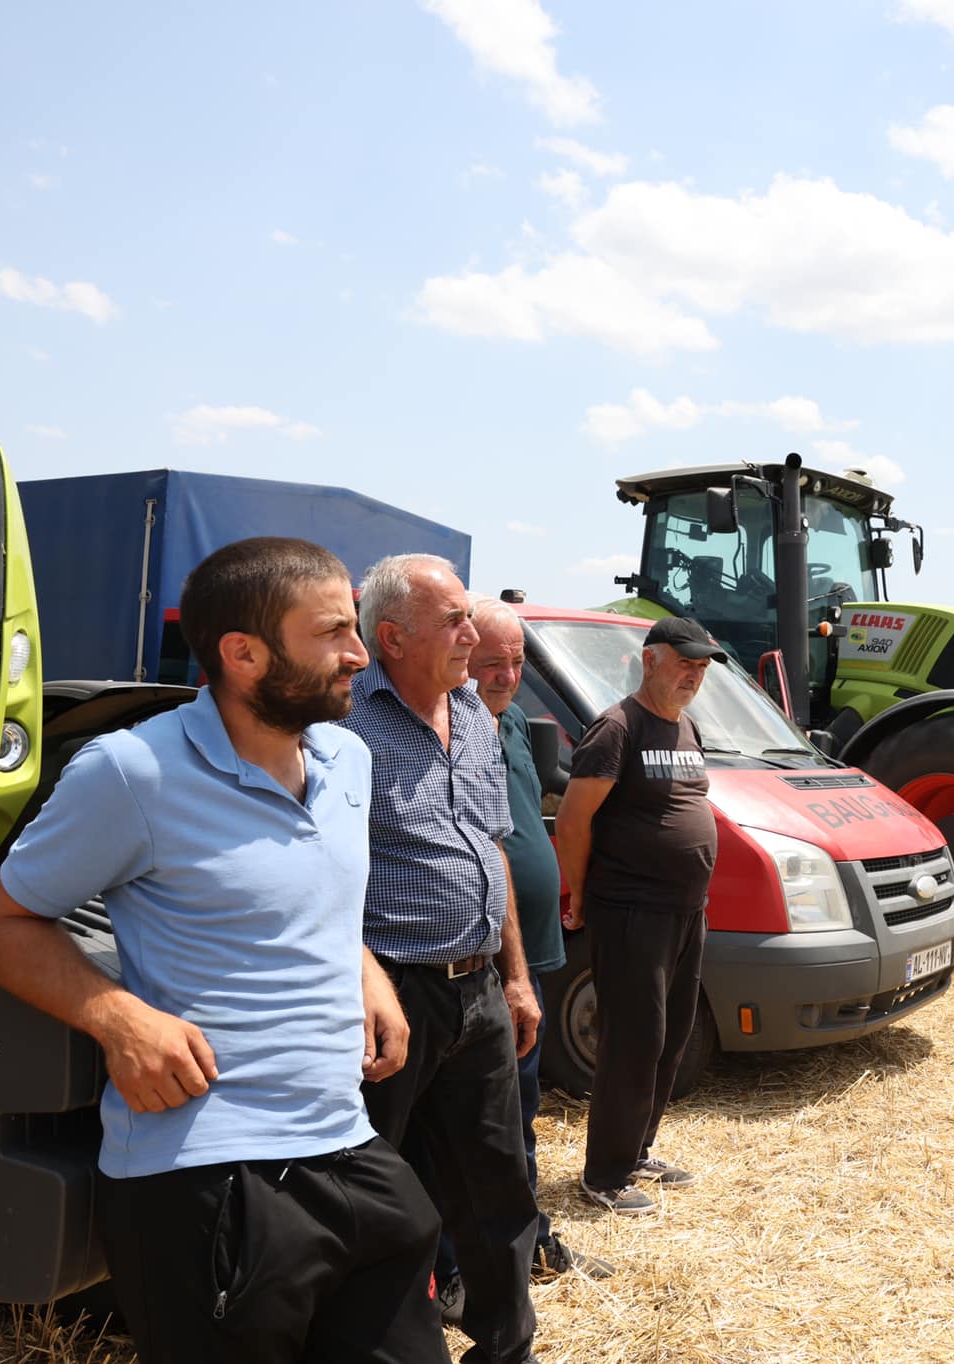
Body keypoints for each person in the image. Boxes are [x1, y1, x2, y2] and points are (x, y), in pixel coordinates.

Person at [0, 537, 446, 1364]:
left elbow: (311, 897)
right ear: (243, 654)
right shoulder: (132, 772)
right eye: (332, 633)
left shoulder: (348, 758)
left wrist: (365, 970)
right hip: (210, 1177)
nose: (360, 656)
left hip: (351, 1147)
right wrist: (119, 1019)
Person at [344, 554, 541, 1364]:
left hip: (478, 991)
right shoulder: (344, 725)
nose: (471, 633)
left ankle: (506, 1349)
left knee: (499, 1191)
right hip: (391, 995)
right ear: (392, 638)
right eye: (454, 620)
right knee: (372, 1190)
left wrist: (516, 976)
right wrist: (364, 984)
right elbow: (318, 869)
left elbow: (490, 848)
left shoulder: (474, 713)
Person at [464, 595, 614, 1280]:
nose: (507, 675)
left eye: (517, 661)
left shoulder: (517, 722)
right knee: (489, 1114)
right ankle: (491, 1256)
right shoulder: (447, 727)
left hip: (530, 949)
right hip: (482, 955)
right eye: (491, 662)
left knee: (520, 1105)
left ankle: (525, 1244)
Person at [556, 616, 724, 1214]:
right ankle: (603, 1175)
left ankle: (636, 1151)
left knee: (671, 1036)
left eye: (701, 667)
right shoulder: (617, 728)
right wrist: (581, 895)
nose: (694, 675)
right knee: (633, 1041)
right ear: (650, 660)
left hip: (685, 911)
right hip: (630, 911)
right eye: (684, 663)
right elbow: (573, 821)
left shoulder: (686, 728)